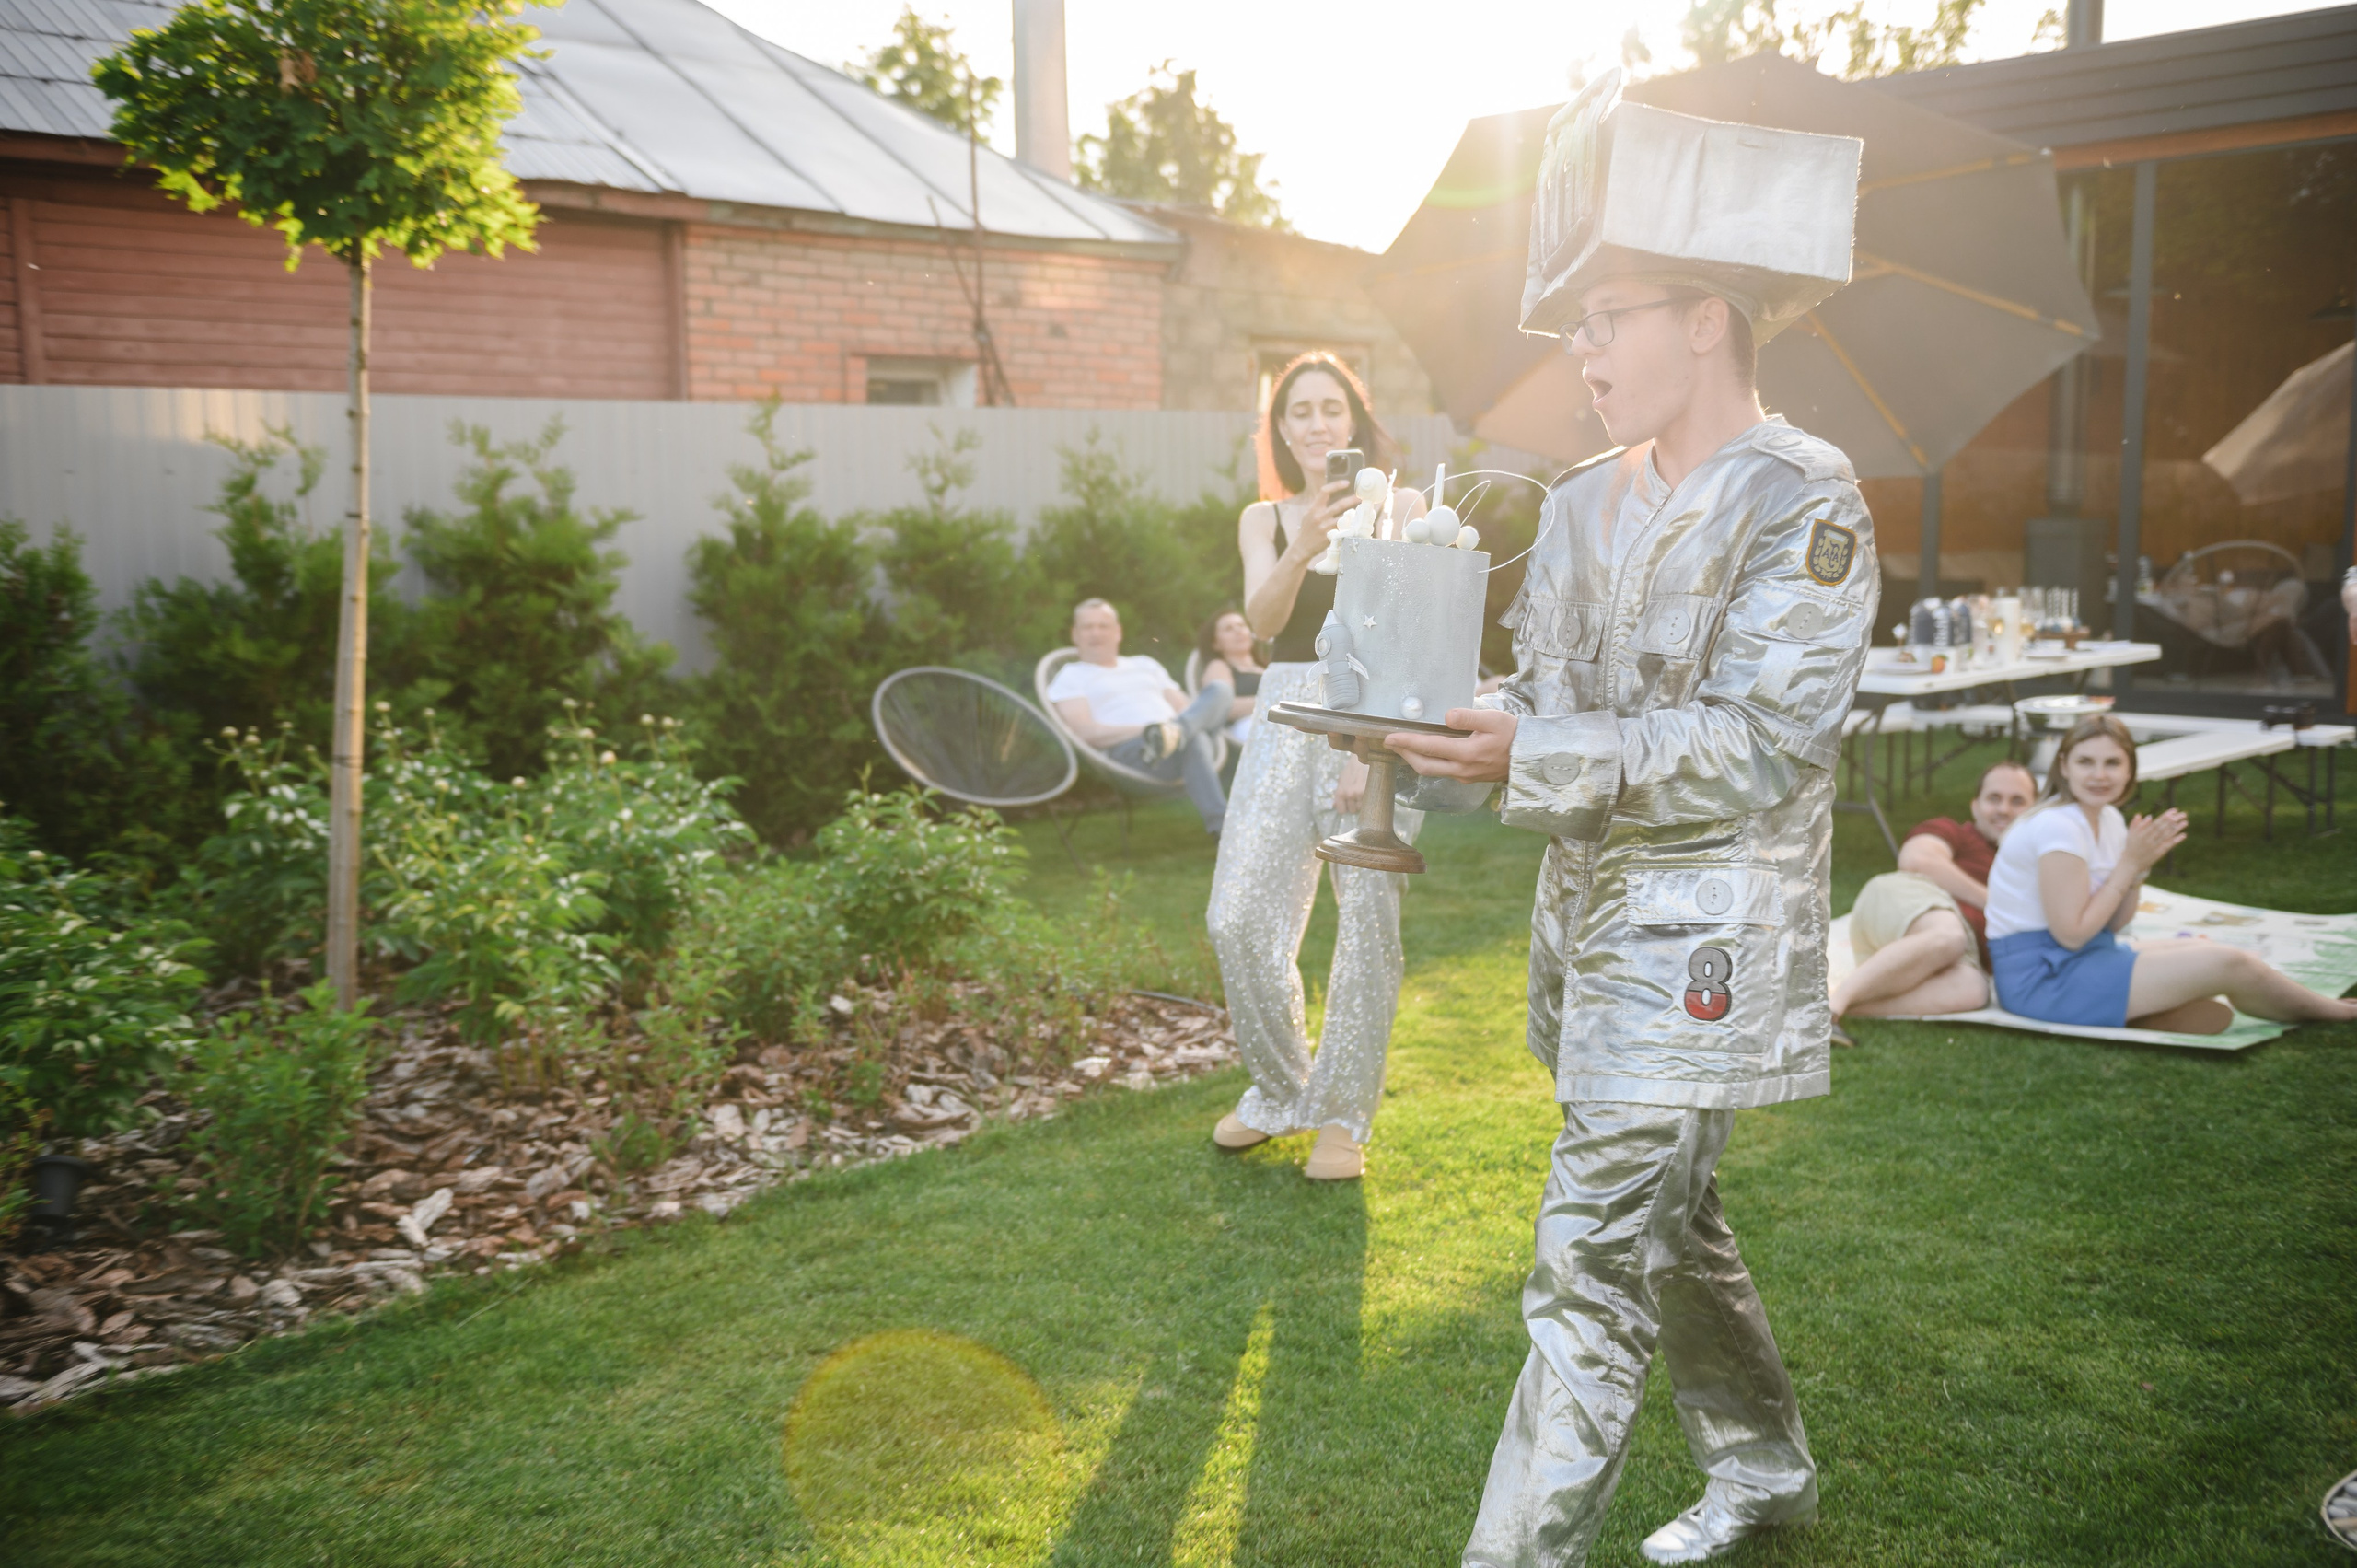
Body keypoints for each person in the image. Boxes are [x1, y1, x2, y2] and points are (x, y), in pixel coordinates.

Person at [1386, 75, 1869, 1566]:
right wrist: (1430, 716)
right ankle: (1764, 1466)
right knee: (1672, 1218)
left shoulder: (1807, 498)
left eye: (1605, 318)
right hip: (1584, 930)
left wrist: (1532, 744)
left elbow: (1763, 742)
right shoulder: (1580, 502)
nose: (1582, 353)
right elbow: (1544, 695)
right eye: (1573, 327)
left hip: (1706, 941)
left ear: (1705, 317)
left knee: (1590, 1252)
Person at [1203, 351, 1428, 1182]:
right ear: (1280, 428)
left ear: (1355, 420)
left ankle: (1342, 1117)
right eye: (1299, 410)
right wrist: (1302, 544)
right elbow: (1265, 624)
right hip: (1282, 711)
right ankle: (1283, 1089)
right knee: (1237, 918)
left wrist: (1372, 750)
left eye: (1332, 407)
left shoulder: (1402, 507)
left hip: (1368, 712)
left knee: (1365, 924)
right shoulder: (1261, 519)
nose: (1317, 423)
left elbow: (1406, 633)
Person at [1984, 714, 2357, 1033]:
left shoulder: (2108, 819)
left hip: (2085, 955)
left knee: (2205, 951)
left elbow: (2113, 923)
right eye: (2085, 762)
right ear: (2064, 766)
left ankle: (2139, 1013)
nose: (2099, 775)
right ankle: (2336, 1011)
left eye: (2112, 763)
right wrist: (2128, 865)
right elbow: (2072, 935)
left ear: (2129, 769)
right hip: (2043, 979)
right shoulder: (2057, 826)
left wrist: (2138, 870)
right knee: (2230, 963)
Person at [1829, 759, 2038, 1026]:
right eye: (1994, 798)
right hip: (1910, 905)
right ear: (1975, 807)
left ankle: (1837, 1007)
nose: (2004, 809)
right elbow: (1917, 860)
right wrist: (1995, 903)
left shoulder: (2037, 867)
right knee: (1948, 935)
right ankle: (1836, 1003)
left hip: (1955, 953)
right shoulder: (1954, 831)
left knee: (1973, 989)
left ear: (2036, 810)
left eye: (2017, 801)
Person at [1047, 598, 1227, 835]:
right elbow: (1086, 732)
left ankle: (1175, 735)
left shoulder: (1145, 665)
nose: (1096, 633)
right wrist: (1150, 730)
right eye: (1088, 627)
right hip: (1135, 752)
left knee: (1220, 690)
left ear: (1118, 632)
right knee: (1194, 738)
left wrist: (1174, 730)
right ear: (1075, 634)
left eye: (1103, 626)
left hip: (1179, 743)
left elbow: (1184, 707)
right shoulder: (1071, 676)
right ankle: (1224, 829)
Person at [1195, 609, 1264, 750]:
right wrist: (1272, 702)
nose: (1238, 631)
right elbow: (1222, 705)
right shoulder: (1219, 666)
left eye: (1241, 625)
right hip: (1247, 726)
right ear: (1216, 644)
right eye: (1228, 629)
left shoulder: (1267, 666)